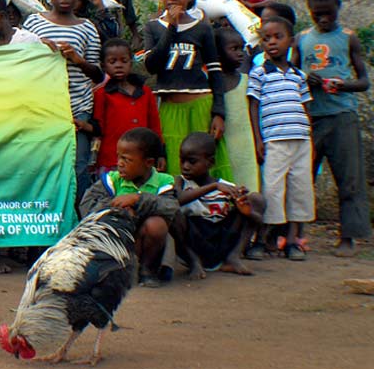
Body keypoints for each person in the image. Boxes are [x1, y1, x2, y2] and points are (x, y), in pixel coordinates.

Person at [294, 0, 372, 256]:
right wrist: (306, 79)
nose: (324, 18)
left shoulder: (349, 38)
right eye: (318, 14)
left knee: (349, 178)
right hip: (310, 116)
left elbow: (364, 81)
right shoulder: (301, 39)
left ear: (339, 6)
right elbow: (291, 74)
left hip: (342, 115)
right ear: (309, 9)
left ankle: (348, 236)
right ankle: (294, 235)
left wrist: (343, 84)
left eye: (329, 12)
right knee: (302, 177)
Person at [22, 0, 103, 201]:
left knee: (78, 166)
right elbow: (19, 59)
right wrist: (37, 46)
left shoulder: (87, 28)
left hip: (78, 109)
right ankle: (48, 211)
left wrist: (78, 60)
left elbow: (98, 74)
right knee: (44, 163)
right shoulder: (33, 23)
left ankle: (80, 214)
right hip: (42, 108)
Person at [142, 0, 227, 178]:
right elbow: (152, 65)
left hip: (201, 106)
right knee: (174, 166)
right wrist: (172, 27)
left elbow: (215, 71)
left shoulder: (202, 29)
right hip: (170, 108)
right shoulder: (153, 27)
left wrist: (219, 113)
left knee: (203, 163)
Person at [248, 16, 314, 261]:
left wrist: (310, 137)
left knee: (300, 189)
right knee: (273, 190)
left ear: (291, 41)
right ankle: (262, 239)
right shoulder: (259, 73)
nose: (272, 42)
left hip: (301, 141)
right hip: (274, 140)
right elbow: (253, 106)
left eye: (278, 37)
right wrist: (258, 139)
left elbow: (306, 107)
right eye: (266, 38)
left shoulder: (299, 76)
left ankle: (292, 241)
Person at [80, 127, 178, 287]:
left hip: (144, 242)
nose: (119, 163)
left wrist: (137, 200)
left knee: (157, 225)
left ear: (148, 163)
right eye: (118, 157)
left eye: (126, 159)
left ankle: (147, 271)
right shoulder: (112, 180)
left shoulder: (163, 182)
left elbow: (171, 207)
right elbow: (87, 206)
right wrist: (117, 208)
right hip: (115, 241)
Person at [171, 132, 264, 278]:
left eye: (192, 161)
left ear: (211, 162)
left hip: (221, 240)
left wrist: (246, 211)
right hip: (195, 240)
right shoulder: (181, 182)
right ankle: (194, 262)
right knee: (172, 213)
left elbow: (258, 221)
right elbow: (178, 200)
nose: (185, 166)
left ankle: (233, 257)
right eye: (182, 161)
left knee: (257, 199)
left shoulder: (226, 187)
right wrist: (213, 187)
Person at [92, 38, 160, 177]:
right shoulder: (102, 94)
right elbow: (99, 127)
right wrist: (83, 125)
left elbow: (154, 125)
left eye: (124, 61)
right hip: (112, 159)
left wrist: (160, 154)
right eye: (112, 62)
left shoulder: (145, 92)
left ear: (131, 63)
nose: (118, 65)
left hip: (142, 159)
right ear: (103, 66)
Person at [215, 28, 258, 192]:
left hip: (246, 147)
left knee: (249, 188)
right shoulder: (208, 84)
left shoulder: (247, 81)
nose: (240, 53)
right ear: (217, 53)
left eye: (242, 48)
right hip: (223, 147)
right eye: (234, 49)